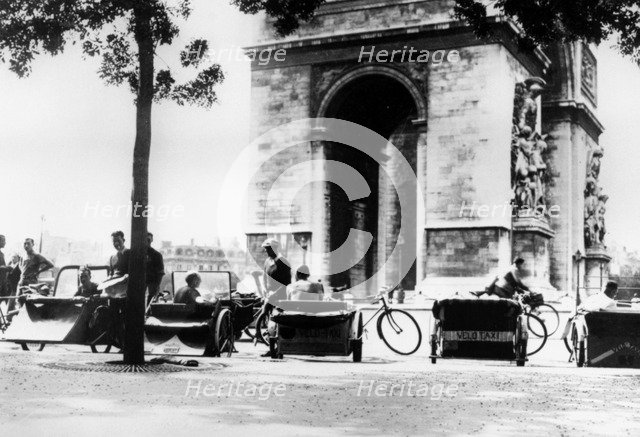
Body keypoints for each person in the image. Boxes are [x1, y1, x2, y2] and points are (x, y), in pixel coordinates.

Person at [173, 271, 221, 356]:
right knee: (216, 309)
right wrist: (213, 301)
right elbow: (200, 303)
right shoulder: (192, 291)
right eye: (199, 280)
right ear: (195, 281)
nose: (200, 282)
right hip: (190, 317)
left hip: (179, 316)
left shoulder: (180, 290)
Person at [146, 232, 165, 305]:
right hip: (141, 281)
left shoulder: (157, 255)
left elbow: (161, 272)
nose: (146, 242)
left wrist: (157, 285)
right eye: (145, 240)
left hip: (153, 281)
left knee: (151, 299)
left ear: (151, 240)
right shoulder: (136, 254)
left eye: (148, 240)